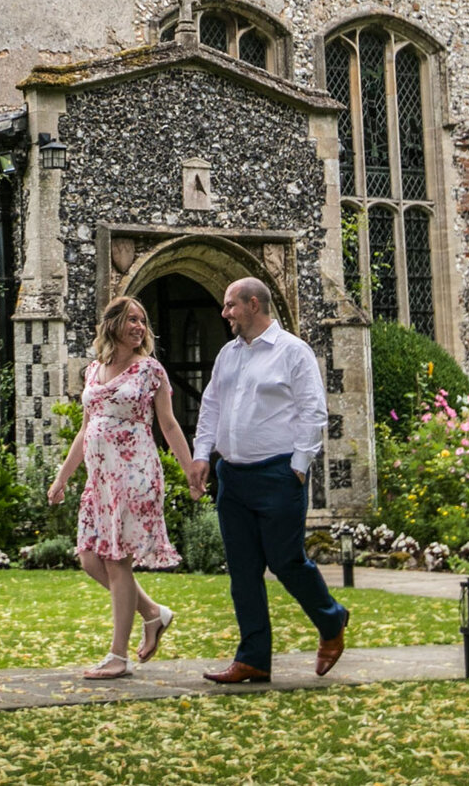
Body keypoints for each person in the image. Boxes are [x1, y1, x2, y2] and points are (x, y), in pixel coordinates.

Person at [182, 276, 348, 683]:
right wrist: (202, 455)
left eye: (230, 306)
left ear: (253, 305)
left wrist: (299, 463)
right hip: (232, 478)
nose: (225, 314)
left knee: (286, 561)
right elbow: (211, 407)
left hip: (278, 474)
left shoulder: (294, 352)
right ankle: (253, 657)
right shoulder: (227, 354)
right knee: (243, 570)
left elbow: (313, 411)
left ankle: (332, 621)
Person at [48, 293, 199, 679]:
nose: (139, 327)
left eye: (143, 321)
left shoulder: (150, 370)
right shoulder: (93, 371)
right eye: (131, 319)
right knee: (89, 557)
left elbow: (168, 424)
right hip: (99, 480)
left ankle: (118, 656)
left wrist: (190, 470)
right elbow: (86, 428)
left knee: (116, 561)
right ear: (112, 324)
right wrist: (62, 477)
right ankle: (153, 613)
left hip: (134, 474)